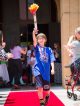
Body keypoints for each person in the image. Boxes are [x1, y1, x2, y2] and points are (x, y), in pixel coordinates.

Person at [32, 28, 55, 106]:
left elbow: (52, 60)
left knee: (47, 90)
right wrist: (33, 33)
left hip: (46, 72)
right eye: (39, 38)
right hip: (37, 70)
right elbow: (34, 42)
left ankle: (47, 96)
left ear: (45, 40)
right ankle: (41, 102)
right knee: (40, 87)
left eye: (42, 38)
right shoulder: (37, 48)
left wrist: (53, 68)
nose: (40, 40)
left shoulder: (49, 49)